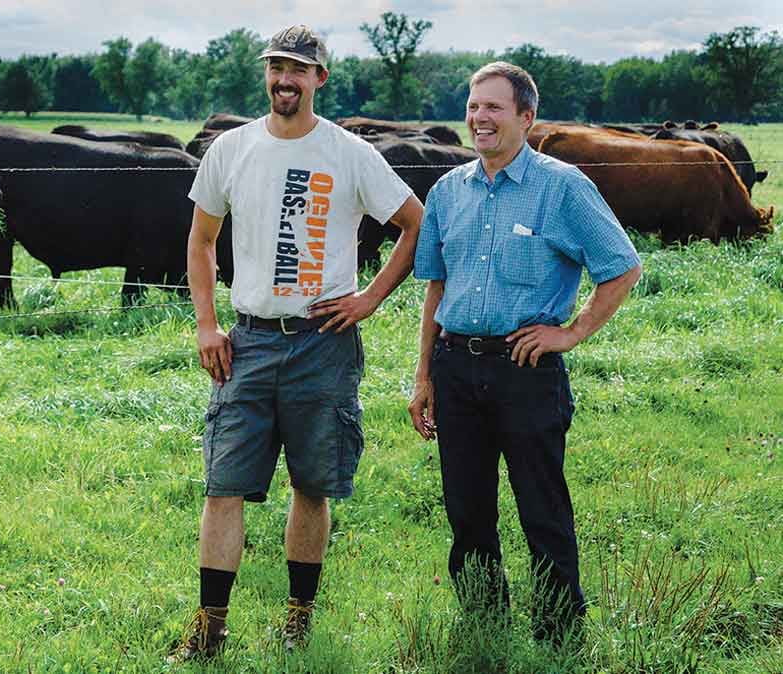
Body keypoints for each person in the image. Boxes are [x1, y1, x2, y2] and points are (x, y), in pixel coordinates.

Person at [171, 24, 425, 662]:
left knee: (312, 485)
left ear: (320, 78)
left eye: (297, 68)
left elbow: (415, 224)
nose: (284, 78)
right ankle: (210, 626)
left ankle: (298, 618)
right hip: (249, 341)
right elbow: (202, 242)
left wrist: (370, 298)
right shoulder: (231, 149)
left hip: (322, 342)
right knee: (222, 485)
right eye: (275, 67)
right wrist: (206, 325)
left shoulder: (349, 153)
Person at [407, 61, 642, 644]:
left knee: (542, 509)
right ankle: (485, 624)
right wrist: (423, 375)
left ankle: (559, 633)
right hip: (455, 365)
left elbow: (622, 267)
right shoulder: (447, 191)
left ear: (526, 117)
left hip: (525, 368)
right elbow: (436, 287)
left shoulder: (561, 186)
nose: (479, 118)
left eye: (493, 107)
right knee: (467, 511)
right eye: (473, 105)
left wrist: (571, 332)